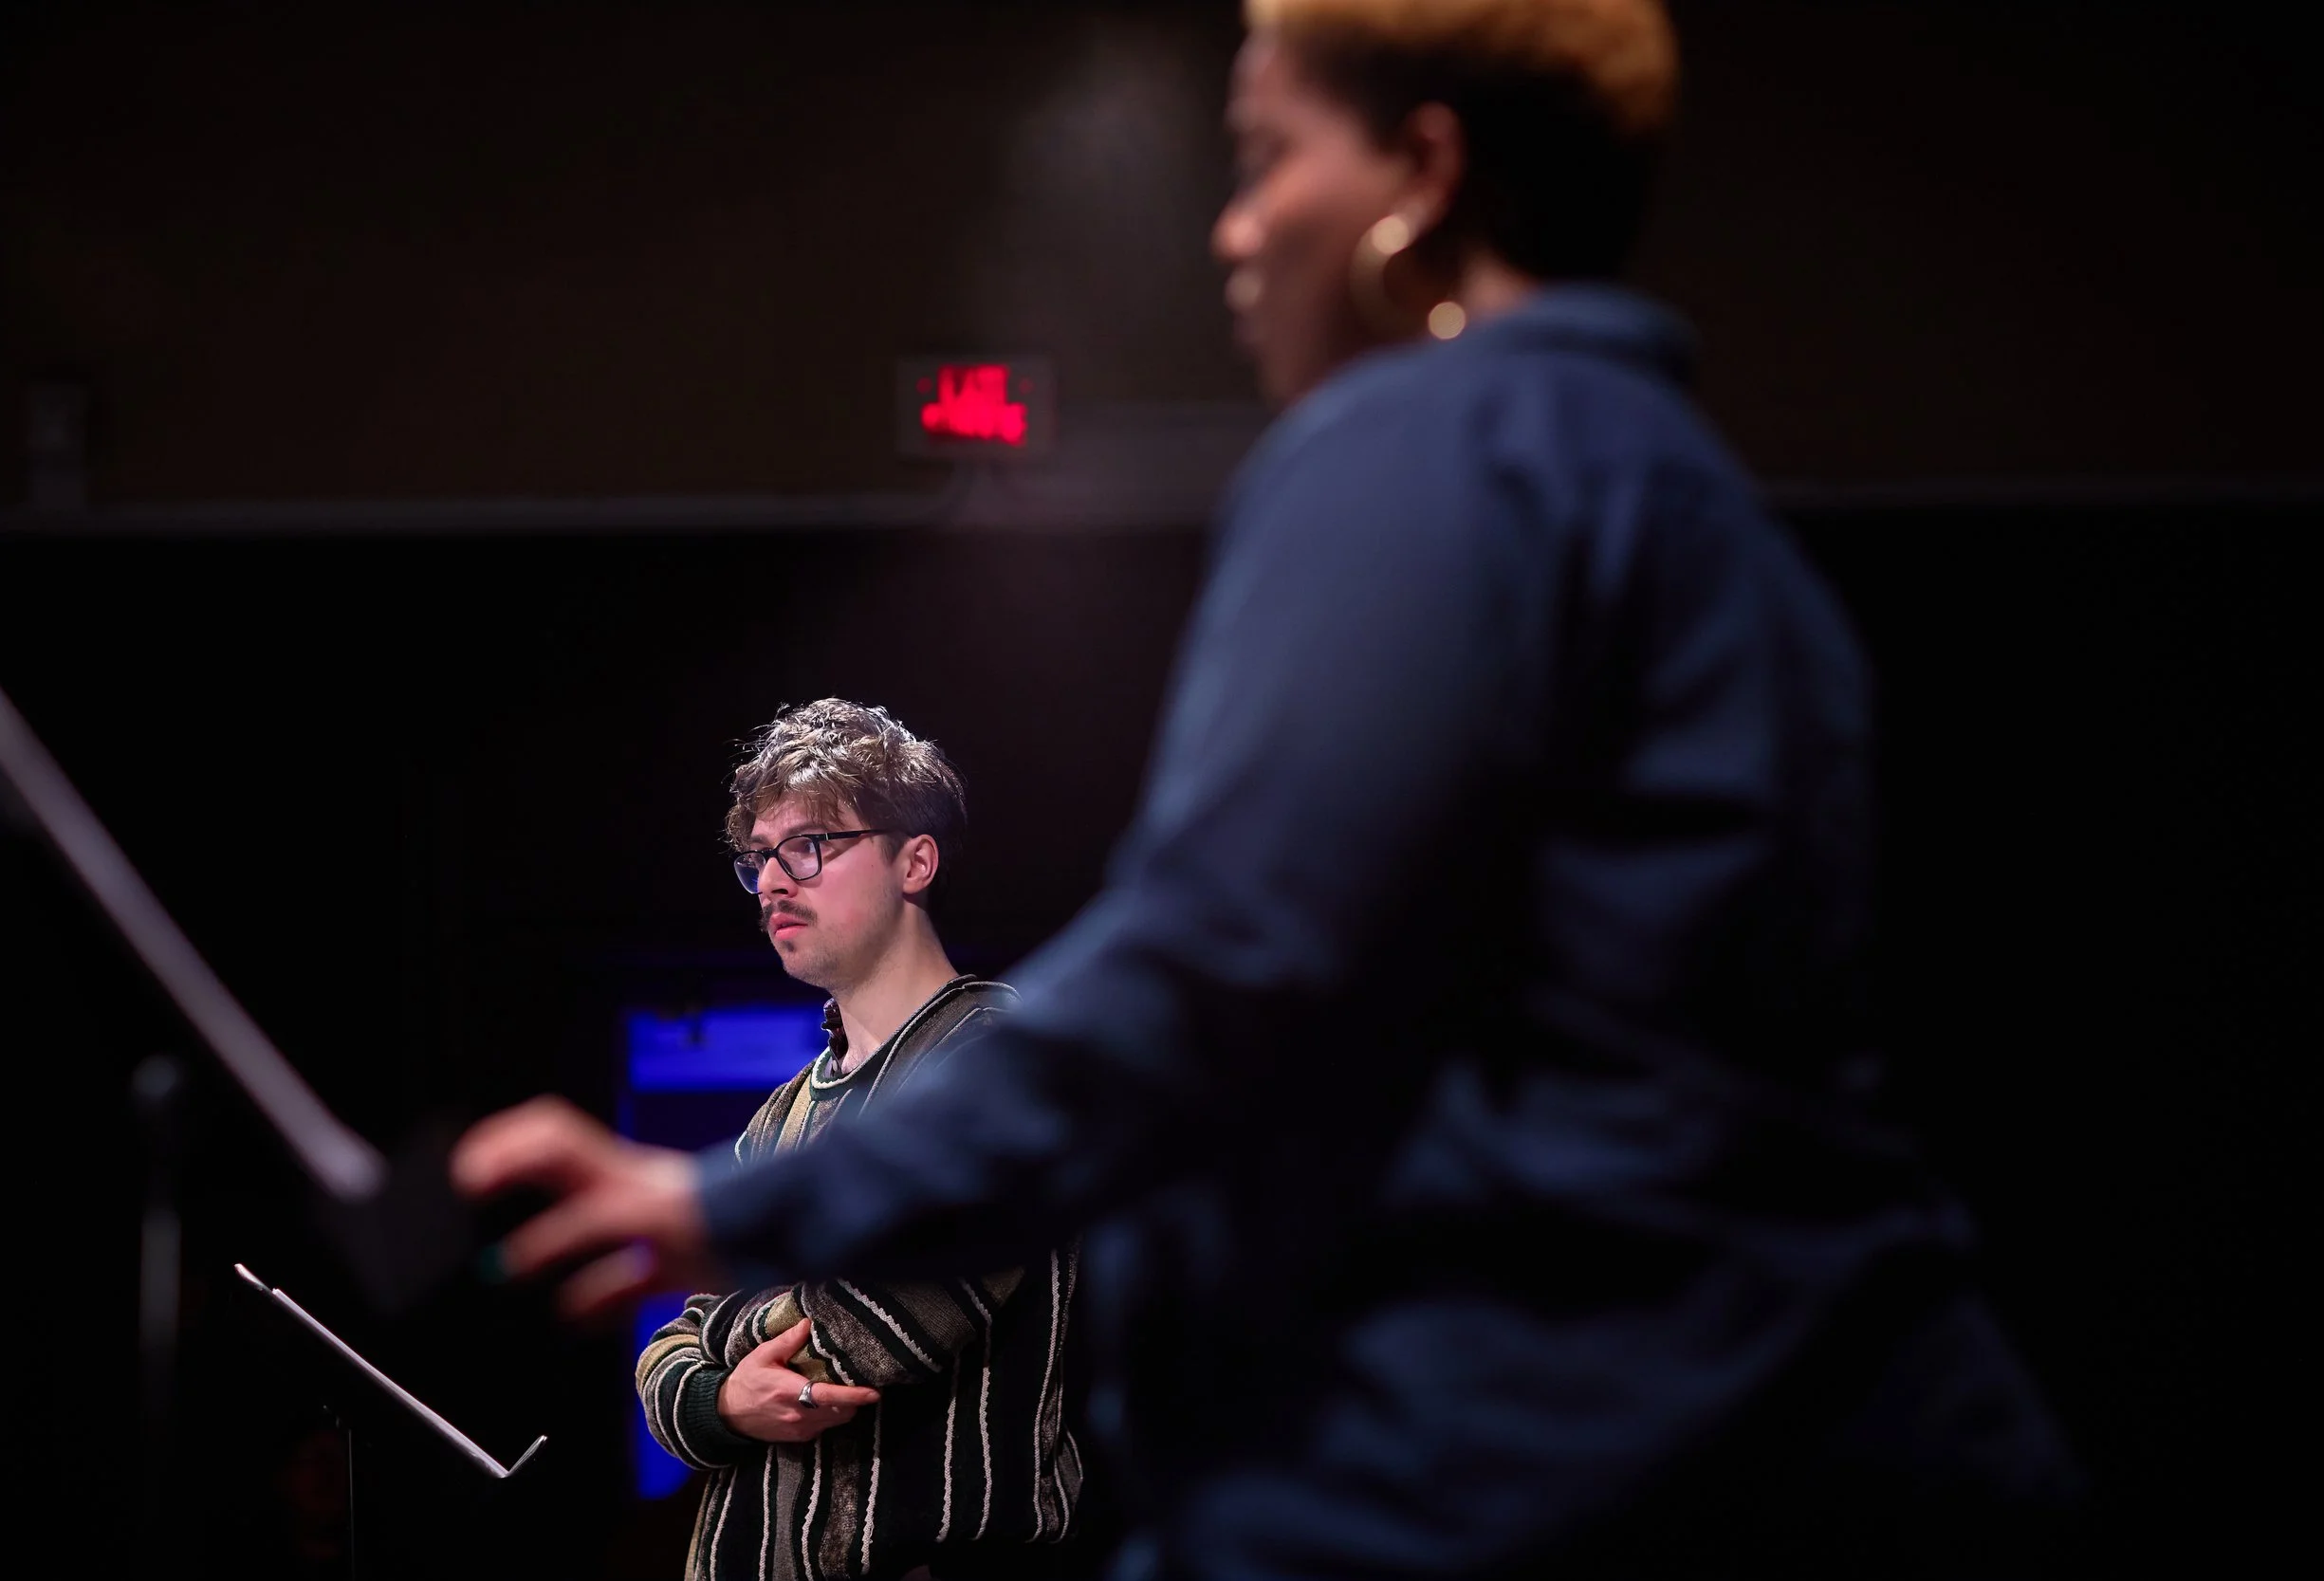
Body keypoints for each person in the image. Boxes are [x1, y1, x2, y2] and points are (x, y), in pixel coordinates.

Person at [458, 3, 2081, 1574]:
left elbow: (1219, 965)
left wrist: (715, 1202)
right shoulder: (1699, 509)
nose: (1233, 232)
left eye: (1264, 156)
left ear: (1424, 173)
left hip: (1552, 1469)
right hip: (1816, 1448)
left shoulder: (1435, 443)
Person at [633, 699, 1089, 1581]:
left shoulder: (1000, 1056)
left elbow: (875, 1327)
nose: (770, 881)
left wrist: (725, 1338)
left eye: (807, 845)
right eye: (758, 859)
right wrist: (722, 1397)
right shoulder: (779, 1115)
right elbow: (664, 1350)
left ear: (915, 860)